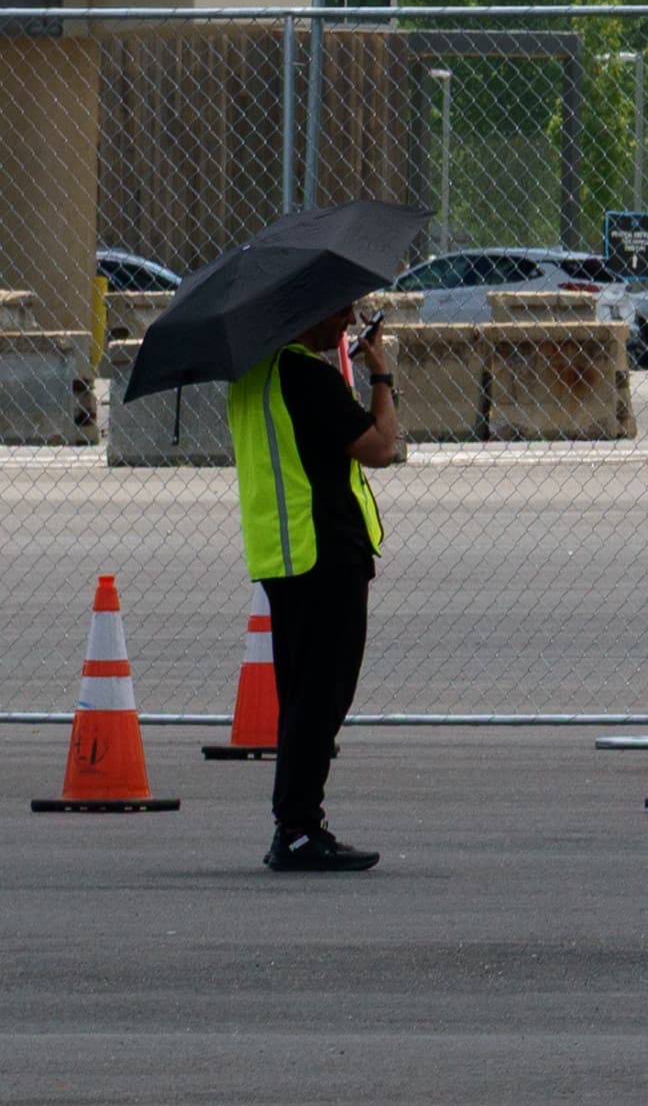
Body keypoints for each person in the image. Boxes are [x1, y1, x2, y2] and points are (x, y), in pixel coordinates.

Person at [227, 306, 398, 872]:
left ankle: (296, 823)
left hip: (282, 553)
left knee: (304, 694)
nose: (349, 318)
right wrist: (380, 374)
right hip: (324, 551)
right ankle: (298, 827)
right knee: (322, 696)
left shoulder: (255, 377)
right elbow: (380, 446)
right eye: (340, 311)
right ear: (309, 313)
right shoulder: (308, 377)